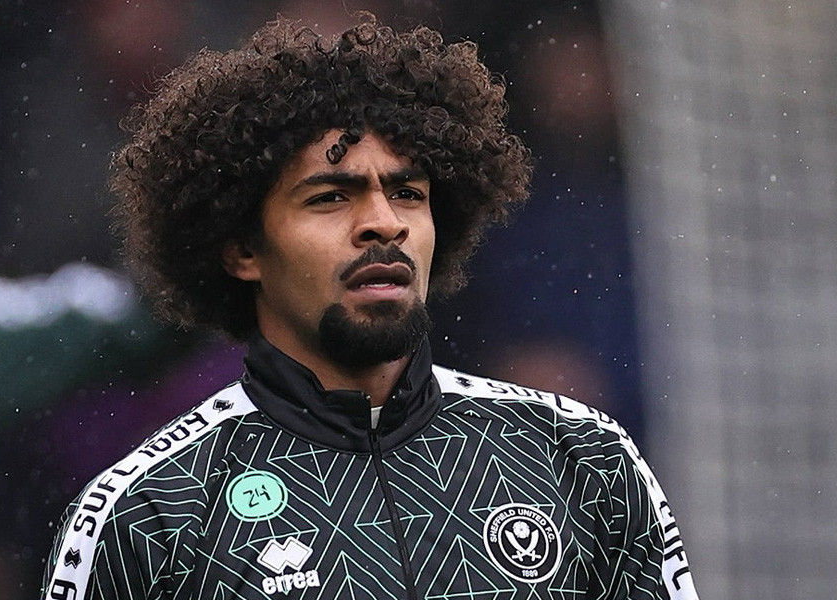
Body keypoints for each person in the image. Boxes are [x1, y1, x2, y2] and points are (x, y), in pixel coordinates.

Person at [41, 14, 699, 600]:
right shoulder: (152, 514)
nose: (385, 223)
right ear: (242, 248)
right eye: (331, 197)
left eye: (408, 193)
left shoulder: (579, 456)